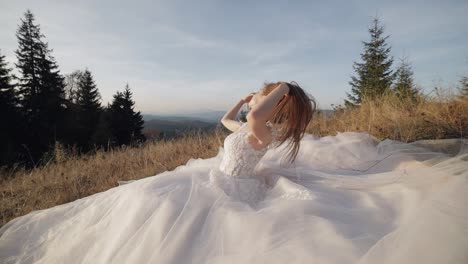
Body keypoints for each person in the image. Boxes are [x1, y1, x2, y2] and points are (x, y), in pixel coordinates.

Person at [0, 81, 467, 264]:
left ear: (276, 106)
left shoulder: (263, 128)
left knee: (161, 213)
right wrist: (242, 100)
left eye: (266, 99)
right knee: (145, 200)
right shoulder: (252, 124)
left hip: (232, 188)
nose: (258, 101)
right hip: (215, 174)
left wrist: (281, 88)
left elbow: (254, 116)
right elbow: (226, 123)